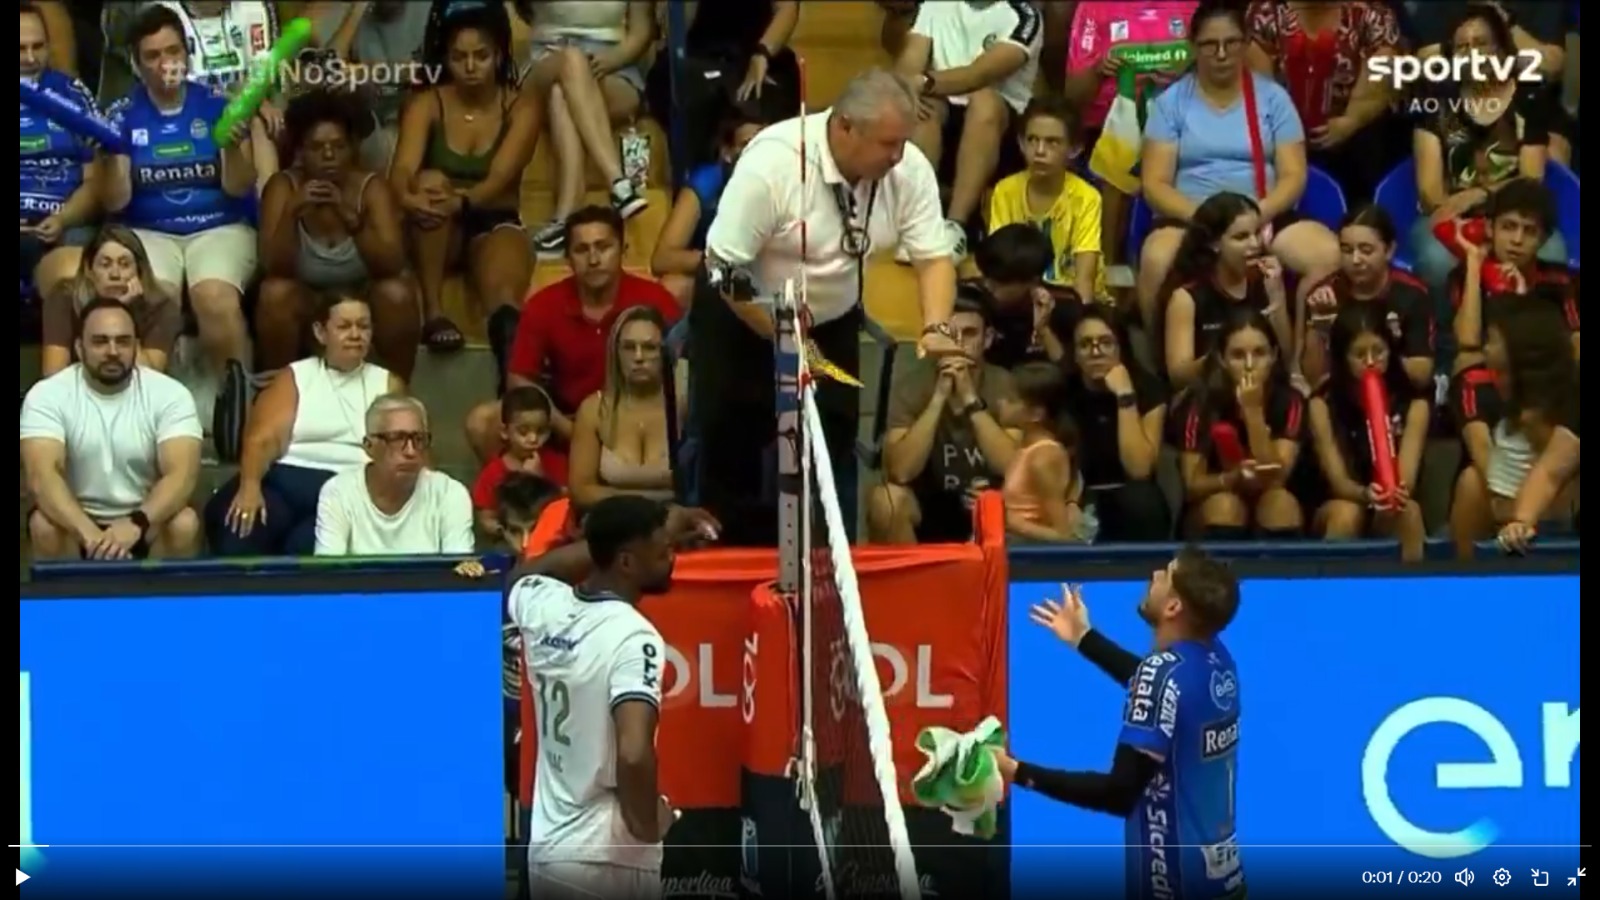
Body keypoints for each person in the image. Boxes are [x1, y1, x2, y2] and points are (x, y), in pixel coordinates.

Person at [701, 68, 960, 546]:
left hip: (830, 320)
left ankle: (829, 564)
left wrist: (936, 324)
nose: (898, 155)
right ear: (844, 127)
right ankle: (728, 564)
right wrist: (778, 333)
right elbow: (721, 268)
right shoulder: (773, 164)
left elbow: (934, 256)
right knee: (732, 448)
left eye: (902, 142)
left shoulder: (907, 168)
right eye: (887, 144)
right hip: (744, 316)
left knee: (833, 444)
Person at [995, 551, 1245, 900]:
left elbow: (1117, 794)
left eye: (1166, 574)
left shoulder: (1162, 677)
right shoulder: (1218, 662)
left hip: (1173, 885)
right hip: (1224, 882)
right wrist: (1084, 637)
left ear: (1173, 607)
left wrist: (1018, 771)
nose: (1155, 573)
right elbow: (1158, 690)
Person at [505, 495, 692, 899]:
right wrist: (646, 825)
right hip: (608, 860)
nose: (672, 558)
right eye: (662, 551)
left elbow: (526, 575)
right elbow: (633, 753)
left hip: (550, 851)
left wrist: (601, 542)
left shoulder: (542, 605)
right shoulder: (634, 636)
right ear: (626, 562)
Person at [1137, 4, 1340, 335]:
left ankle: (1300, 364)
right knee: (1156, 259)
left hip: (1261, 214)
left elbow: (1294, 176)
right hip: (1193, 218)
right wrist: (1209, 221)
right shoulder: (1170, 103)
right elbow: (1155, 185)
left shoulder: (1274, 99)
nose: (1221, 54)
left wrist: (1253, 218)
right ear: (1193, 45)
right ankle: (1167, 371)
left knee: (1327, 254)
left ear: (1245, 44)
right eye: (1209, 45)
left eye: (1231, 43)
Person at [103, 5, 260, 428]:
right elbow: (116, 203)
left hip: (219, 225)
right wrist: (115, 153)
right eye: (152, 56)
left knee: (214, 298)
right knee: (158, 300)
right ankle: (146, 417)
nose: (164, 64)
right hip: (148, 231)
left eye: (172, 51)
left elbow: (240, 187)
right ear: (137, 64)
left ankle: (238, 410)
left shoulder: (217, 106)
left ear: (187, 54)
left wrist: (229, 145)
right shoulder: (120, 115)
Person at [466, 206, 681, 464]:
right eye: (582, 250)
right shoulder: (544, 304)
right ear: (568, 257)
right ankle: (518, 495)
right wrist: (570, 429)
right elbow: (519, 378)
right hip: (566, 420)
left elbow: (684, 369)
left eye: (603, 247)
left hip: (639, 418)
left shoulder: (655, 300)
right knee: (482, 421)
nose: (593, 259)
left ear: (623, 250)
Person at [391, 3, 539, 356]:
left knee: (504, 299)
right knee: (431, 182)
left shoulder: (521, 107)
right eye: (459, 57)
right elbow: (401, 170)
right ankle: (434, 312)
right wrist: (407, 197)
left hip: (493, 217)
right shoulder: (427, 103)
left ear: (500, 55)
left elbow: (500, 177)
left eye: (481, 56)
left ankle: (512, 375)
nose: (470, 67)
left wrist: (463, 201)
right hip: (437, 224)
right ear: (446, 58)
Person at [207, 294, 403, 557]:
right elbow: (262, 439)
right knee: (241, 527)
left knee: (309, 546)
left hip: (351, 490)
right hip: (287, 481)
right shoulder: (296, 375)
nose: (355, 334)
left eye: (363, 326)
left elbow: (406, 446)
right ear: (321, 332)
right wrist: (250, 487)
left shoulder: (388, 383)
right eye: (344, 326)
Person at [22, 298, 203, 560]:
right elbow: (42, 477)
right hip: (75, 522)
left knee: (184, 523)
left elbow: (182, 475)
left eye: (123, 341)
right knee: (43, 525)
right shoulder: (48, 395)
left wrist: (136, 523)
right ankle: (67, 600)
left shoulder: (170, 394)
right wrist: (92, 536)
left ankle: (162, 601)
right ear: (79, 348)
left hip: (145, 521)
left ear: (136, 346)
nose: (113, 351)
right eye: (100, 341)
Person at [1409, 5, 1566, 307]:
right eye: (1462, 47)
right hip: (1451, 215)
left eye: (1482, 44)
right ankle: (1447, 346)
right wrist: (1464, 229)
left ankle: (1530, 339)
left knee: (1552, 253)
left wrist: (1478, 196)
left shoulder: (1527, 97)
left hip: (1514, 215)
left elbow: (1530, 181)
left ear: (1502, 50)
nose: (1472, 54)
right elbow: (1431, 194)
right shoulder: (1434, 103)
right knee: (1435, 260)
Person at [257, 90, 417, 380]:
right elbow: (272, 266)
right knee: (274, 294)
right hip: (307, 297)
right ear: (301, 151)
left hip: (362, 294)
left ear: (353, 148)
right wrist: (292, 214)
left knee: (397, 293)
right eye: (317, 147)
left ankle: (398, 389)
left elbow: (392, 264)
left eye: (338, 146)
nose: (329, 156)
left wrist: (351, 219)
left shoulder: (372, 188)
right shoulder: (283, 187)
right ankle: (275, 390)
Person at [894, 0, 1043, 260]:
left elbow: (979, 74)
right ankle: (920, 220)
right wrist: (909, 86)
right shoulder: (935, 5)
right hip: (943, 109)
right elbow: (910, 60)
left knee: (984, 101)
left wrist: (924, 82)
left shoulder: (1025, 16)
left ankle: (956, 226)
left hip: (1001, 129)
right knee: (922, 108)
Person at [872, 290, 1020, 545]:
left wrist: (970, 400)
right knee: (885, 501)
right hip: (930, 504)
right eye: (949, 335)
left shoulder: (1006, 385)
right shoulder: (911, 386)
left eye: (969, 334)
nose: (957, 343)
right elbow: (901, 472)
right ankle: (913, 584)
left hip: (992, 503)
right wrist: (939, 397)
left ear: (988, 339)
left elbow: (1012, 466)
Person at [1064, 0, 1200, 263]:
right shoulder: (1094, 8)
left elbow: (1218, 68)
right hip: (1108, 125)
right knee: (1116, 161)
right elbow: (1072, 96)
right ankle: (1106, 270)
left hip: (1182, 123)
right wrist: (1097, 71)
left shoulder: (1192, 6)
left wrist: (1189, 72)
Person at [519, 0, 655, 255]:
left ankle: (565, 219)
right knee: (571, 60)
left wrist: (612, 60)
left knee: (562, 94)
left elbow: (642, 32)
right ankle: (616, 180)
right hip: (546, 60)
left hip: (612, 66)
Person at [1450, 301, 1579, 556]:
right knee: (1471, 484)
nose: (1485, 349)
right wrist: (1521, 521)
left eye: (1493, 340)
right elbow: (1550, 472)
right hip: (1513, 509)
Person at [1244, 0, 1406, 202]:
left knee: (1371, 142)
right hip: (1282, 127)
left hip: (1355, 133)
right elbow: (1261, 89)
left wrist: (1349, 122)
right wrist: (1290, 130)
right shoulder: (1266, 12)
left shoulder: (1372, 13)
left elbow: (1381, 81)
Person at [1171, 306, 1305, 540]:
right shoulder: (1198, 403)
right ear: (1222, 359)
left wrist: (1253, 412)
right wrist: (1232, 479)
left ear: (1274, 355)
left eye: (1260, 353)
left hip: (1268, 497)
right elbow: (1192, 485)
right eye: (1238, 355)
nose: (1250, 364)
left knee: (1281, 503)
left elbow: (1276, 477)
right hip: (1214, 500)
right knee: (1226, 506)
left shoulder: (1290, 401)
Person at [1307, 304, 1428, 560]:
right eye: (1359, 354)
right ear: (1342, 357)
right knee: (1346, 514)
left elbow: (1406, 479)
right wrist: (1366, 495)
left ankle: (1414, 593)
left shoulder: (1414, 405)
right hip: (1342, 500)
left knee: (1409, 511)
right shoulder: (1322, 404)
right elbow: (1338, 482)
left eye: (1379, 352)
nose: (1371, 362)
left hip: (1388, 500)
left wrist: (1390, 493)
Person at [642, 0, 800, 174]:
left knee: (763, 94)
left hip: (757, 53)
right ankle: (702, 180)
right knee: (683, 88)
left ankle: (751, 163)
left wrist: (762, 53)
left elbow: (787, 8)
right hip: (700, 55)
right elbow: (672, 27)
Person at [1059, 306, 1174, 542]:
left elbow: (1139, 468)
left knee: (1141, 499)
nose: (1096, 351)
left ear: (1121, 348)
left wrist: (1125, 396)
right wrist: (1069, 501)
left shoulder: (1148, 390)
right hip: (1076, 496)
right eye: (1085, 344)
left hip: (1131, 497)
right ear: (1075, 354)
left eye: (1106, 342)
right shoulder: (1062, 392)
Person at [1411, 0, 1574, 164]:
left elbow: (1552, 67)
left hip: (1531, 103)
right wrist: (1465, 49)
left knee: (1554, 155)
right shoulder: (1434, 6)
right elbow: (1424, 60)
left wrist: (1501, 23)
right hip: (1459, 106)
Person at [1159, 193, 1296, 389]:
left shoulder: (1267, 282)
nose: (1254, 244)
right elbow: (1179, 376)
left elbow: (1285, 358)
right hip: (1211, 394)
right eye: (1241, 237)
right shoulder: (1187, 298)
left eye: (1257, 233)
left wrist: (1277, 299)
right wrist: (1228, 352)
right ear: (1214, 244)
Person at [313, 393, 474, 556]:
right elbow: (327, 574)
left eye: (418, 439)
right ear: (369, 446)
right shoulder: (339, 492)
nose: (411, 452)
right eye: (397, 438)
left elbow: (459, 570)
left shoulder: (449, 493)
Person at [1447, 179, 1578, 376]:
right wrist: (1474, 265)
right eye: (1508, 227)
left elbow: (1575, 339)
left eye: (1530, 231)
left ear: (1543, 240)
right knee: (1467, 361)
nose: (1517, 240)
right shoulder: (1465, 276)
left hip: (1547, 375)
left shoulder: (1562, 281)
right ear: (1490, 229)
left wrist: (1522, 297)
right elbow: (1468, 341)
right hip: (1492, 372)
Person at [21, 2, 103, 303]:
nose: (31, 58)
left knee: (76, 280)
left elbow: (96, 182)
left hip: (65, 226)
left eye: (38, 47)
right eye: (20, 49)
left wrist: (63, 219)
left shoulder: (73, 95)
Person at [1301, 205, 1435, 389]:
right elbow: (1313, 379)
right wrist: (1319, 326)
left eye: (1366, 250)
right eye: (1347, 250)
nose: (1355, 260)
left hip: (1399, 393)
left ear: (1389, 251)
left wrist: (1375, 356)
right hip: (1345, 398)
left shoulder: (1412, 294)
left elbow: (1423, 373)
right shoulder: (1325, 295)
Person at [986, 96, 1104, 303]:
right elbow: (999, 266)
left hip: (1070, 299)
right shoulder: (1005, 191)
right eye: (1032, 140)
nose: (1040, 151)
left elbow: (1084, 280)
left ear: (1074, 149)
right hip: (1020, 298)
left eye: (1052, 142)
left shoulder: (1087, 197)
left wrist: (1080, 323)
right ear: (1021, 144)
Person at [650, 107, 766, 308]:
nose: (758, 153)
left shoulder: (786, 179)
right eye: (747, 145)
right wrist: (722, 262)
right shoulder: (707, 181)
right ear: (727, 153)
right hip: (718, 277)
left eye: (763, 145)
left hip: (772, 280)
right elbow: (662, 259)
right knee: (673, 287)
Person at [569, 307, 676, 511]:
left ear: (666, 352)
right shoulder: (594, 410)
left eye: (650, 347)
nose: (638, 357)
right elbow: (581, 490)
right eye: (628, 347)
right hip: (614, 523)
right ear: (615, 353)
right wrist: (651, 503)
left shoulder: (685, 408)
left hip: (678, 522)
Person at [307, 0, 434, 171]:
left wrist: (368, 71)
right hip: (370, 118)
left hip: (415, 114)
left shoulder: (429, 9)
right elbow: (328, 69)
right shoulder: (347, 12)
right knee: (346, 88)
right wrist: (358, 10)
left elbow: (430, 72)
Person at [39, 226, 183, 377]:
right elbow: (52, 374)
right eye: (105, 264)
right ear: (89, 270)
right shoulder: (64, 298)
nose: (115, 274)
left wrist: (123, 313)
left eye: (124, 264)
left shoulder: (160, 305)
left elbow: (150, 380)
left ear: (139, 270)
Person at [999, 361, 1085, 543]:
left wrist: (1008, 521)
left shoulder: (1043, 457)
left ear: (1035, 414)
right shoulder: (1024, 448)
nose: (1001, 403)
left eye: (1011, 400)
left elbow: (1063, 535)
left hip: (1028, 558)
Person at [473, 386, 560, 541]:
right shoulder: (492, 472)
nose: (533, 439)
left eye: (541, 431)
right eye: (523, 431)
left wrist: (539, 480)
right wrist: (506, 530)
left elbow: (565, 507)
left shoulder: (556, 463)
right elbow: (485, 518)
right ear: (505, 431)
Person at [969, 224, 1059, 369]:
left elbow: (1072, 378)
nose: (987, 285)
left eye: (999, 282)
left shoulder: (1065, 306)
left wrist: (1043, 330)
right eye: (985, 276)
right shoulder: (971, 300)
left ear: (1032, 282)